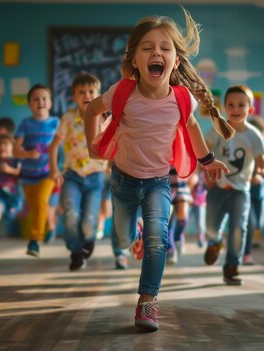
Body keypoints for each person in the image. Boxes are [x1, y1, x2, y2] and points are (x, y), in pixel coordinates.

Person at [84, 7, 232, 331]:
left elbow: (192, 128)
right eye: (148, 47)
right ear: (135, 59)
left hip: (157, 182)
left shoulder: (181, 98)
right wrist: (91, 142)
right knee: (122, 240)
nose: (157, 53)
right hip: (123, 180)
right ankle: (130, 234)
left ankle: (147, 302)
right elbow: (91, 110)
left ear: (175, 61)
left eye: (165, 48)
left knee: (158, 239)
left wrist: (207, 161)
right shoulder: (122, 92)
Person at [203, 84, 264, 286]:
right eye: (231, 104)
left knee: (238, 229)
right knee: (210, 227)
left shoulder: (253, 135)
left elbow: (262, 158)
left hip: (241, 192)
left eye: (241, 105)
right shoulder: (217, 130)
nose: (235, 108)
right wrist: (200, 165)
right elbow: (204, 149)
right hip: (217, 188)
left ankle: (232, 266)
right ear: (224, 108)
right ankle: (215, 242)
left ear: (250, 109)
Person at [49, 72, 109, 270]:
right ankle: (75, 251)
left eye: (91, 91)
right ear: (73, 97)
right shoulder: (67, 118)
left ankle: (89, 239)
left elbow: (113, 143)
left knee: (89, 219)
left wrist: (110, 164)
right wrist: (55, 170)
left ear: (98, 93)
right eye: (81, 92)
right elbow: (53, 146)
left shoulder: (104, 118)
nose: (87, 95)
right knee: (71, 215)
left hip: (96, 176)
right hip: (72, 176)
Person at [14, 84, 59, 257]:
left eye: (44, 98)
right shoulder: (26, 124)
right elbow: (15, 150)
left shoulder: (56, 123)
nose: (40, 102)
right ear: (29, 105)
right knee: (36, 208)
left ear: (50, 103)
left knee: (41, 201)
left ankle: (34, 241)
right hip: (27, 176)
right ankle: (47, 229)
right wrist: (28, 153)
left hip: (48, 173)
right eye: (36, 99)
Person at [243, 117, 264, 265]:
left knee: (258, 224)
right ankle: (246, 253)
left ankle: (244, 239)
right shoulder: (245, 147)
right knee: (250, 222)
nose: (261, 137)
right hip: (247, 191)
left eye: (263, 134)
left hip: (262, 193)